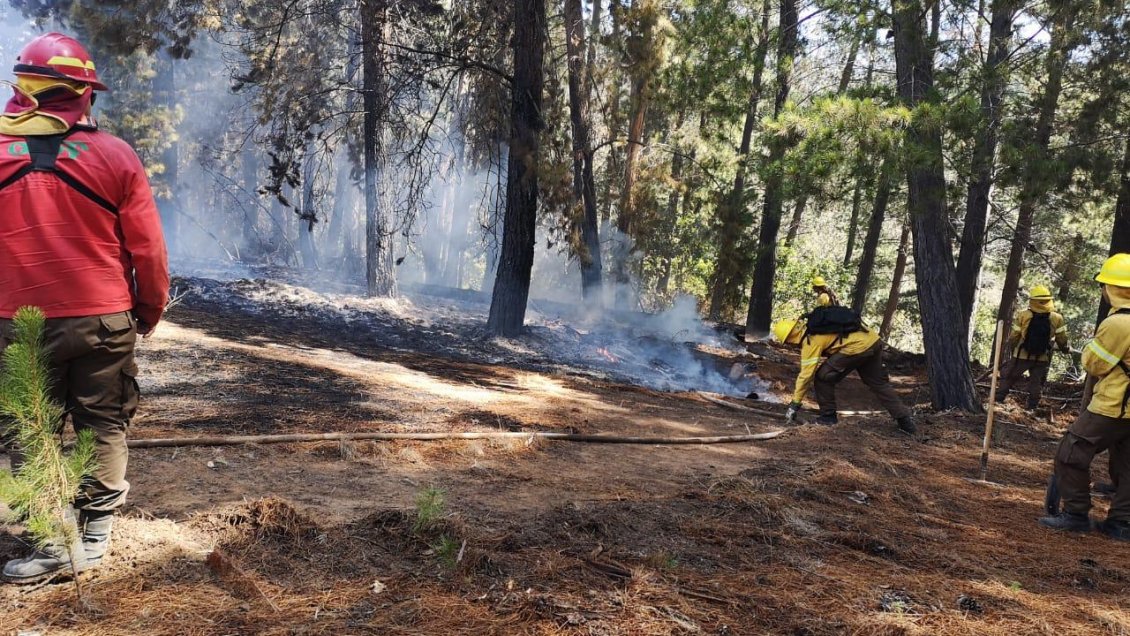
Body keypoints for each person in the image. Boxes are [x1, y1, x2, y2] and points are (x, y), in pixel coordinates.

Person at [0, 33, 169, 582]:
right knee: (102, 424)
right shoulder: (116, 155)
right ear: (83, 95)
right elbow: (148, 249)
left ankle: (52, 540)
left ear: (25, 91)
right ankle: (92, 541)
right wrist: (148, 310)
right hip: (103, 318)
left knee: (31, 429)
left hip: (13, 322)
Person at [1039, 254, 1130, 539]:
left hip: (1113, 405)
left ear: (1112, 288)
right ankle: (1122, 523)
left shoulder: (1118, 324)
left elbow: (1094, 364)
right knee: (1127, 466)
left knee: (1070, 452)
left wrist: (1091, 346)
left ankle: (1076, 514)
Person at [773, 308, 915, 434]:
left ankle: (828, 417)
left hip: (857, 348)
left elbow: (805, 376)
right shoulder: (814, 326)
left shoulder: (811, 340)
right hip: (873, 341)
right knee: (879, 383)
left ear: (789, 339)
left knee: (823, 377)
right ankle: (905, 421)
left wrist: (795, 404)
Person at [996, 285, 1070, 409]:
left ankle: (998, 399)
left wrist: (1013, 349)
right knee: (1036, 382)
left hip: (1021, 355)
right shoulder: (1057, 318)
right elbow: (1061, 339)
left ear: (1032, 300)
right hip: (1041, 357)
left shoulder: (1023, 315)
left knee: (1009, 376)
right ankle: (1032, 407)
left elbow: (1014, 336)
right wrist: (1065, 349)